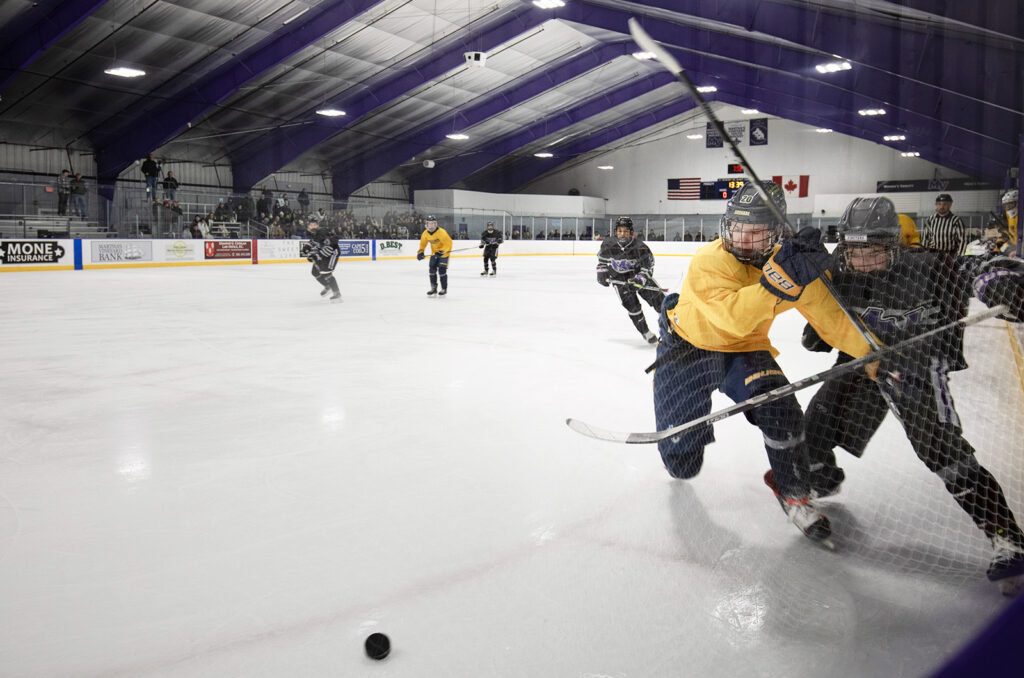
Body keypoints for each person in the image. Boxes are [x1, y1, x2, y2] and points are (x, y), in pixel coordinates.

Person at [800, 196, 1024, 588]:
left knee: (937, 445)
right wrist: (816, 327)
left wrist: (999, 281)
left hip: (918, 360)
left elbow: (979, 265)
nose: (863, 260)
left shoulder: (927, 265)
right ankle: (823, 475)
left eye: (873, 251)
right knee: (817, 418)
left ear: (894, 244)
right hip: (862, 356)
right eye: (854, 250)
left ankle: (1006, 537)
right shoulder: (839, 266)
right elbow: (807, 293)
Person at [651, 181, 874, 543]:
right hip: (687, 348)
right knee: (683, 466)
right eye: (737, 229)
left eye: (755, 232)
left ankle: (796, 496)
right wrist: (778, 282)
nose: (742, 239)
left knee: (781, 408)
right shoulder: (710, 260)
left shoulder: (793, 265)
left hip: (745, 349)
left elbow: (834, 321)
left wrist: (876, 358)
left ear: (774, 234)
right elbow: (731, 318)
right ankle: (679, 451)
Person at [596, 217, 666, 344]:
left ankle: (670, 330)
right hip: (619, 280)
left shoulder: (640, 247)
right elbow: (602, 261)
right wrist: (601, 272)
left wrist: (641, 278)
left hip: (638, 277)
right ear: (615, 232)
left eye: (626, 231)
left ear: (631, 232)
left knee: (661, 303)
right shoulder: (608, 244)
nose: (622, 234)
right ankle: (645, 332)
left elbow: (649, 267)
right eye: (620, 231)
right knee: (633, 308)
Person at [301, 218, 341, 301]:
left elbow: (332, 243)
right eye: (311, 225)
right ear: (308, 226)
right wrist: (307, 247)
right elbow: (313, 242)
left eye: (314, 224)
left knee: (326, 272)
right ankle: (328, 286)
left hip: (332, 253)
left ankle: (337, 293)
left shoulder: (322, 232)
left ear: (318, 225)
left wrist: (317, 255)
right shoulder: (312, 233)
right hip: (324, 253)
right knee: (315, 272)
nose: (313, 226)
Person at [416, 215, 452, 296]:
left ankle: (444, 289)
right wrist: (420, 252)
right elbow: (422, 245)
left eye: (432, 223)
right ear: (426, 224)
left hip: (444, 254)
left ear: (435, 224)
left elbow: (448, 244)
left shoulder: (442, 232)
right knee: (432, 270)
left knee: (442, 270)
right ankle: (433, 288)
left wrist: (442, 251)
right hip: (434, 253)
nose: (431, 225)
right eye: (429, 223)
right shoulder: (425, 234)